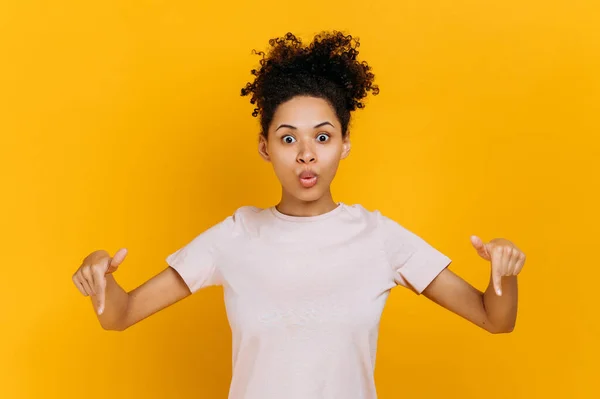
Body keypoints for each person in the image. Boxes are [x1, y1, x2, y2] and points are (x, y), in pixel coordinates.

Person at [72, 31, 527, 399]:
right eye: (288, 139)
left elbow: (495, 319)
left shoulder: (379, 237)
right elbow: (121, 313)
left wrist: (503, 273)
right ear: (264, 146)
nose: (306, 154)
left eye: (323, 137)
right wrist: (99, 273)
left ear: (345, 143)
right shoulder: (235, 236)